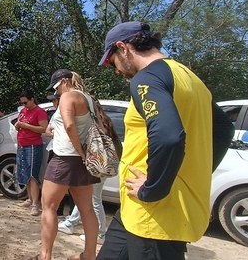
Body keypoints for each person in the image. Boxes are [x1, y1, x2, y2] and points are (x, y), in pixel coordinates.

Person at [95, 21, 234, 259]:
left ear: (123, 47)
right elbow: (223, 129)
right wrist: (192, 174)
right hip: (135, 211)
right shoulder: (189, 77)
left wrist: (153, 189)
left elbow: (168, 136)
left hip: (156, 215)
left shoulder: (146, 78)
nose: (115, 69)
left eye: (111, 61)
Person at [36, 69, 101, 260]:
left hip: (64, 158)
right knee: (87, 209)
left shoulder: (67, 97)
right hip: (82, 161)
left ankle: (45, 256)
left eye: (56, 87)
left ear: (64, 81)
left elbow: (69, 125)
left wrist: (79, 151)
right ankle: (89, 255)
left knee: (48, 206)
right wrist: (82, 154)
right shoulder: (88, 98)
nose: (56, 92)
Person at [58, 98, 125, 245]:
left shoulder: (95, 123)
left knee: (94, 200)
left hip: (97, 166)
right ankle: (71, 223)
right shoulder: (106, 120)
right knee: (88, 197)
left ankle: (101, 234)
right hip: (105, 165)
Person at [14, 90, 48, 216]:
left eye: (26, 102)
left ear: (32, 99)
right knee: (25, 173)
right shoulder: (23, 111)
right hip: (22, 144)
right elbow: (21, 124)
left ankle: (35, 204)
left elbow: (43, 128)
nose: (24, 105)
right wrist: (18, 126)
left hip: (33, 145)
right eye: (22, 103)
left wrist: (26, 126)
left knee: (33, 174)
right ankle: (29, 199)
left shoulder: (39, 112)